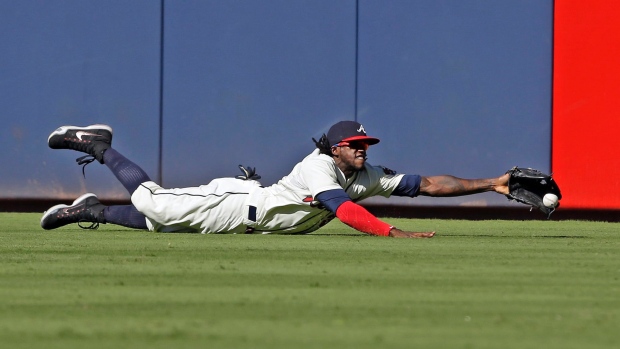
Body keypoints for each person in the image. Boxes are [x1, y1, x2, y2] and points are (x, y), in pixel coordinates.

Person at [41, 121, 510, 238]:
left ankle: (87, 210)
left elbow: (427, 184)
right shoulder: (319, 166)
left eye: (367, 144)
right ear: (335, 147)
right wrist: (394, 232)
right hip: (235, 203)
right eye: (357, 144)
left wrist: (493, 182)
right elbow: (342, 209)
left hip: (249, 222)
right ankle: (97, 144)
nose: (364, 149)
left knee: (160, 227)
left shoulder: (363, 173)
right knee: (156, 205)